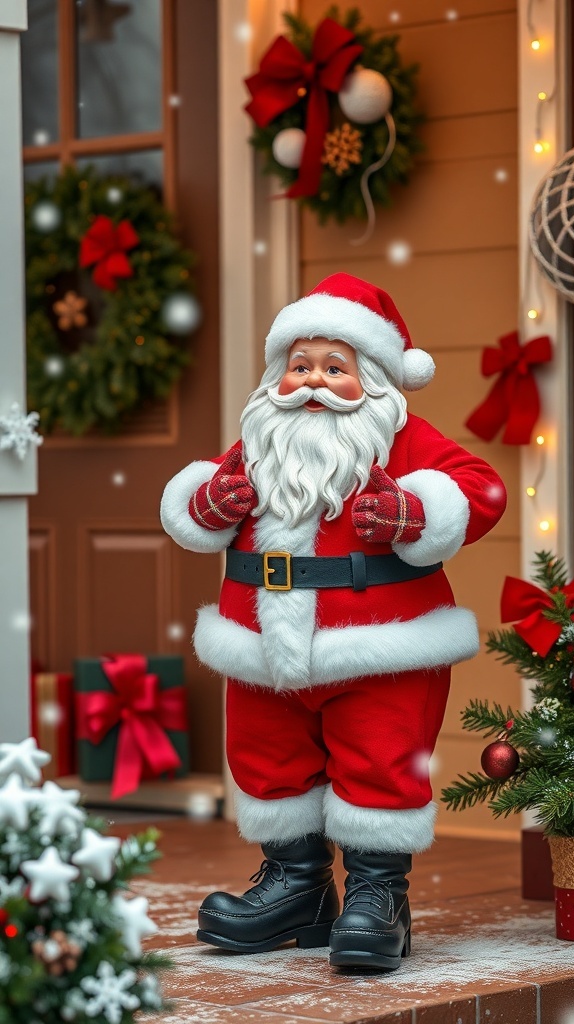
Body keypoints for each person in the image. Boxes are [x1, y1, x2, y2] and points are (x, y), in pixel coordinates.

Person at [160, 273, 506, 970]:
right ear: (277, 375)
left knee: (379, 760)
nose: (312, 381)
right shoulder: (259, 440)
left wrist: (414, 512)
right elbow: (192, 509)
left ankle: (378, 895)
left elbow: (482, 489)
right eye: (299, 365)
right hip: (260, 645)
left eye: (334, 366)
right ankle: (295, 884)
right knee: (267, 756)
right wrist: (209, 502)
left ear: (374, 378)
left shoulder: (403, 439)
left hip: (378, 648)